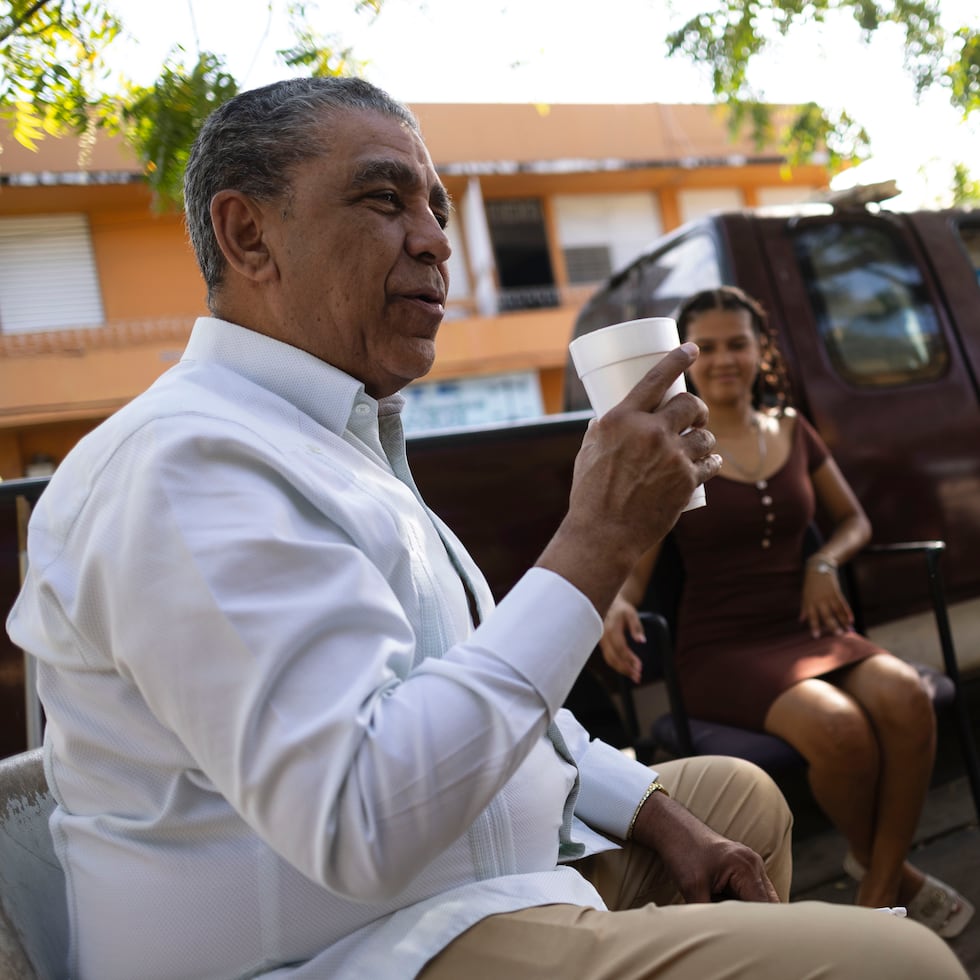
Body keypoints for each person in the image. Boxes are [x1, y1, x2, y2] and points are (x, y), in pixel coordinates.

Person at [6, 78, 968, 980]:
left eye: (438, 210)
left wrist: (649, 812)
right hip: (356, 948)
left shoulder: (332, 441)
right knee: (909, 966)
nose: (435, 242)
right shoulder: (184, 466)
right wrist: (595, 542)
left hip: (474, 888)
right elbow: (361, 821)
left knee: (729, 803)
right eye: (385, 201)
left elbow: (466, 679)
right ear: (248, 235)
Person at [600, 285, 974, 939]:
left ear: (761, 350)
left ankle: (878, 889)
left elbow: (853, 521)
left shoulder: (793, 428)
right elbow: (638, 560)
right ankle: (897, 891)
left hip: (811, 631)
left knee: (907, 697)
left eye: (737, 343)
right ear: (687, 360)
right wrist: (616, 606)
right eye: (707, 347)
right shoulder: (678, 446)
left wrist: (823, 562)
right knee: (840, 730)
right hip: (723, 648)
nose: (724, 359)